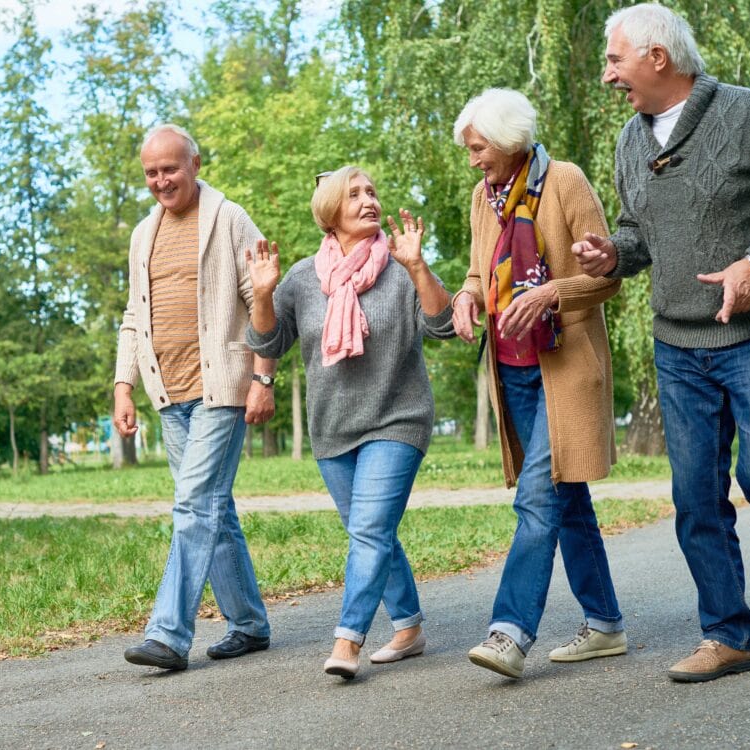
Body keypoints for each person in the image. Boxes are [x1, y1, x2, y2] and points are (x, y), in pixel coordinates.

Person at [573, 3, 750, 682]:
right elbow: (639, 237)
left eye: (614, 60)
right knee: (695, 494)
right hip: (678, 344)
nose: (608, 76)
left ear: (657, 59)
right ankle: (727, 634)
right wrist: (612, 255)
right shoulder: (632, 140)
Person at [245, 166, 455, 679]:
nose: (369, 200)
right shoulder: (300, 278)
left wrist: (420, 269)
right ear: (330, 212)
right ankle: (408, 627)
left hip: (397, 418)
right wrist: (265, 296)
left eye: (373, 192)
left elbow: (444, 325)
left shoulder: (402, 264)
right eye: (355, 194)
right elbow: (269, 345)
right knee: (372, 532)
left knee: (368, 530)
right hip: (333, 427)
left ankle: (348, 640)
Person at [451, 89, 627, 680]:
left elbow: (608, 277)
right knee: (565, 496)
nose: (473, 159)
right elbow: (480, 270)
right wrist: (467, 295)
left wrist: (552, 291)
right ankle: (604, 624)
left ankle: (509, 632)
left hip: (566, 368)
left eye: (478, 148)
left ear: (507, 140)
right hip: (514, 371)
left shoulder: (566, 181)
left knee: (536, 499)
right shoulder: (484, 197)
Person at [114, 124, 276, 673]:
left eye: (170, 169)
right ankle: (250, 624)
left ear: (196, 163)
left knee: (193, 505)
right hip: (169, 393)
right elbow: (134, 317)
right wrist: (123, 386)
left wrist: (264, 378)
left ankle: (167, 634)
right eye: (151, 173)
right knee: (215, 510)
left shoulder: (229, 218)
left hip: (221, 388)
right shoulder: (143, 234)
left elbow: (262, 296)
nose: (161, 180)